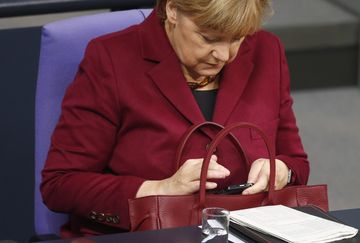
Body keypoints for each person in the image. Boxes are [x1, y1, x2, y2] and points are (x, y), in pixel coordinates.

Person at [41, 0, 310, 237]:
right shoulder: (112, 59)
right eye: (208, 38)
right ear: (172, 9)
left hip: (245, 231)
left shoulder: (267, 50)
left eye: (237, 38)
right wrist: (161, 188)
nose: (225, 56)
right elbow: (61, 184)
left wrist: (281, 171)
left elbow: (296, 162)